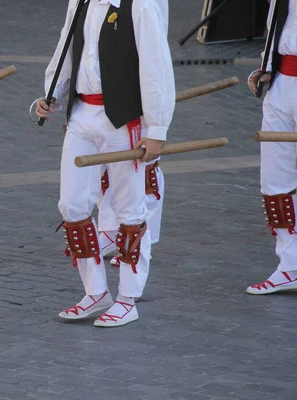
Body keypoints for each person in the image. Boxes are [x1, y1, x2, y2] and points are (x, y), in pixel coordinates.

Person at [36, 0, 175, 327]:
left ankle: (128, 298)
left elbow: (156, 66)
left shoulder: (139, 5)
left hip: (123, 119)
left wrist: (156, 128)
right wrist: (53, 92)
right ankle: (96, 291)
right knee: (71, 205)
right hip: (83, 115)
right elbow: (66, 47)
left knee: (129, 208)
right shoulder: (80, 1)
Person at [96, 0, 169, 264]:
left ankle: (141, 235)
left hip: (139, 75)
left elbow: (154, 54)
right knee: (109, 162)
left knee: (143, 163)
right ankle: (110, 228)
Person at [246, 0, 297, 295]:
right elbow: (278, 24)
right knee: (274, 180)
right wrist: (268, 67)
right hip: (281, 84)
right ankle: (290, 265)